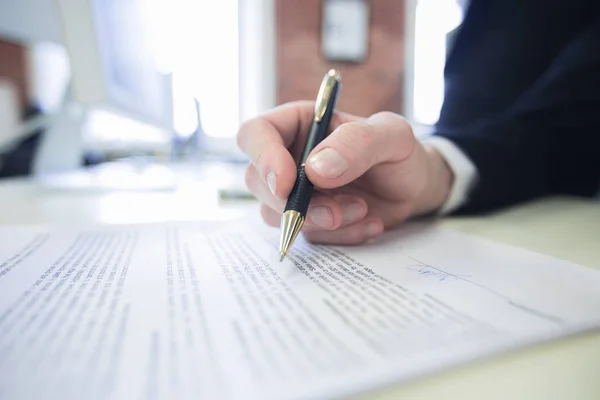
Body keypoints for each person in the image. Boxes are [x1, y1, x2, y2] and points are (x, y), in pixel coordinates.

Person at [236, 0, 600, 245]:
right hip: (472, 214)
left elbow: (568, 123)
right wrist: (427, 174)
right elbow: (474, 119)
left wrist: (439, 166)